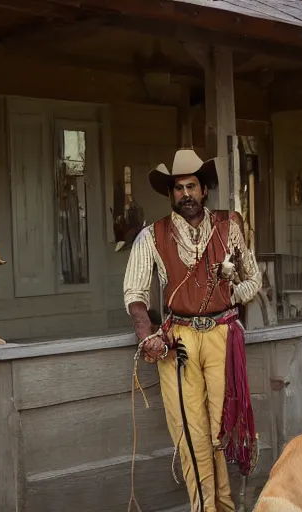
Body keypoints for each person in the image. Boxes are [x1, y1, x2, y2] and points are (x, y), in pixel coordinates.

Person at [123, 148, 262, 511]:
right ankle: (205, 508)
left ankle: (226, 505)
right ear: (171, 193)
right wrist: (147, 336)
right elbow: (135, 294)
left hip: (221, 334)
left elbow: (254, 279)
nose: (186, 194)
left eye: (192, 186)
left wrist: (232, 290)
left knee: (219, 431)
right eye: (179, 188)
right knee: (191, 434)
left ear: (204, 189)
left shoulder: (229, 227)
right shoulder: (152, 235)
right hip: (179, 340)